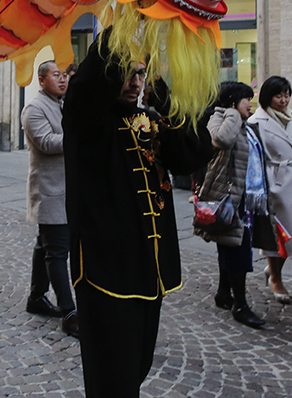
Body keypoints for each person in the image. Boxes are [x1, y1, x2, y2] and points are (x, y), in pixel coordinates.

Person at [63, 33, 212, 398]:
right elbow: (85, 88)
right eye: (125, 74)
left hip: (149, 268)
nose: (134, 82)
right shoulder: (88, 124)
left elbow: (194, 152)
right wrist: (127, 22)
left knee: (137, 364)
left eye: (140, 74)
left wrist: (163, 92)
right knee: (112, 375)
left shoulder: (152, 120)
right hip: (106, 267)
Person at [199, 81, 272, 329]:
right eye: (246, 100)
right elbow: (221, 140)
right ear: (232, 102)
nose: (250, 104)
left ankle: (223, 292)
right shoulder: (219, 120)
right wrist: (231, 113)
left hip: (245, 196)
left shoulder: (245, 124)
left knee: (231, 245)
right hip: (226, 196)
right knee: (237, 249)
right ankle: (240, 305)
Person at [21, 60, 77, 337]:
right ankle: (69, 311)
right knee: (57, 251)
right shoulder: (34, 108)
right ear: (42, 80)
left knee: (45, 246)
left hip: (66, 188)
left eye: (64, 75)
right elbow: (46, 142)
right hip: (50, 190)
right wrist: (79, 136)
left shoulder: (61, 104)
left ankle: (36, 298)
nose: (62, 79)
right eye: (56, 75)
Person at [248, 76, 292, 303]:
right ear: (268, 96)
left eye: (287, 95)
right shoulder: (256, 121)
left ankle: (275, 271)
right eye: (279, 95)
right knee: (276, 236)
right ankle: (276, 277)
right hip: (272, 182)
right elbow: (254, 156)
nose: (284, 100)